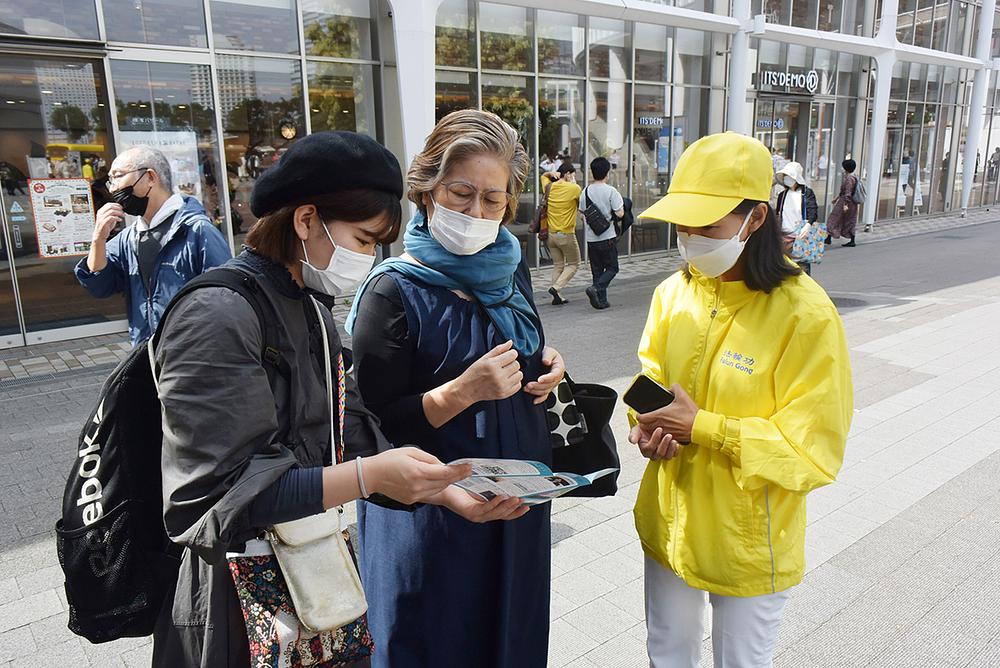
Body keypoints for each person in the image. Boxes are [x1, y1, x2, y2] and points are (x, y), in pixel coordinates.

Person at [151, 131, 473, 667]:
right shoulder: (216, 314)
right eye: (365, 240)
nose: (370, 258)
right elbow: (216, 493)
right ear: (305, 221)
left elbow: (349, 435)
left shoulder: (310, 307)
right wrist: (371, 477)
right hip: (237, 600)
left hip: (314, 584)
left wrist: (441, 491)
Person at [345, 109, 566, 668]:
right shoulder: (390, 291)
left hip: (514, 507)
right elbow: (370, 430)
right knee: (433, 644)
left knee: (511, 642)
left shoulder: (507, 269)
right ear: (426, 191)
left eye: (493, 201)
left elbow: (521, 343)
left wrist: (550, 364)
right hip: (431, 519)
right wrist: (461, 393)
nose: (477, 212)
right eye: (462, 193)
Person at [632, 132, 852, 668]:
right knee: (668, 653)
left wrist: (703, 427)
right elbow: (650, 377)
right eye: (683, 224)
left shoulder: (805, 315)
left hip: (748, 539)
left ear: (755, 218)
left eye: (707, 225)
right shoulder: (672, 293)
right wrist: (646, 427)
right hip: (670, 521)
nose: (690, 238)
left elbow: (814, 451)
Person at [74, 146, 231, 346]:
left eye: (118, 176)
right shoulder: (128, 238)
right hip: (145, 353)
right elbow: (100, 286)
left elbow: (224, 300)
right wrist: (98, 239)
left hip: (191, 355)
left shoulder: (197, 231)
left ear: (150, 177)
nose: (112, 188)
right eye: (110, 180)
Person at [580, 156, 624, 310]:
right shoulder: (611, 191)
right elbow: (620, 214)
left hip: (592, 238)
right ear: (607, 173)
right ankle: (596, 289)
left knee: (597, 270)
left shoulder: (585, 191)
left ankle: (601, 301)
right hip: (607, 237)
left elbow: (582, 214)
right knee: (612, 267)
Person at [540, 163, 582, 304]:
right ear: (567, 174)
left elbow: (543, 176)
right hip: (566, 234)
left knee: (558, 265)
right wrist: (573, 183)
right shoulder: (574, 188)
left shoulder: (549, 187)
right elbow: (581, 204)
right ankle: (556, 287)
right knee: (574, 264)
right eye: (573, 175)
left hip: (551, 235)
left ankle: (556, 297)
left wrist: (552, 174)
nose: (574, 178)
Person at [774, 161, 819, 273]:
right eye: (784, 177)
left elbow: (812, 211)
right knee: (783, 269)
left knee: (802, 270)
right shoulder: (782, 195)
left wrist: (808, 225)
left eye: (788, 176)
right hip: (784, 237)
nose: (786, 179)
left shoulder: (806, 193)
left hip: (801, 237)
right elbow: (778, 213)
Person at [827, 158, 860, 247]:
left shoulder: (849, 178)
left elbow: (847, 193)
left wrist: (845, 204)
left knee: (833, 218)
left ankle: (828, 237)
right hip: (852, 203)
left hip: (846, 202)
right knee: (850, 220)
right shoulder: (854, 176)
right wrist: (837, 198)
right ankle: (852, 239)